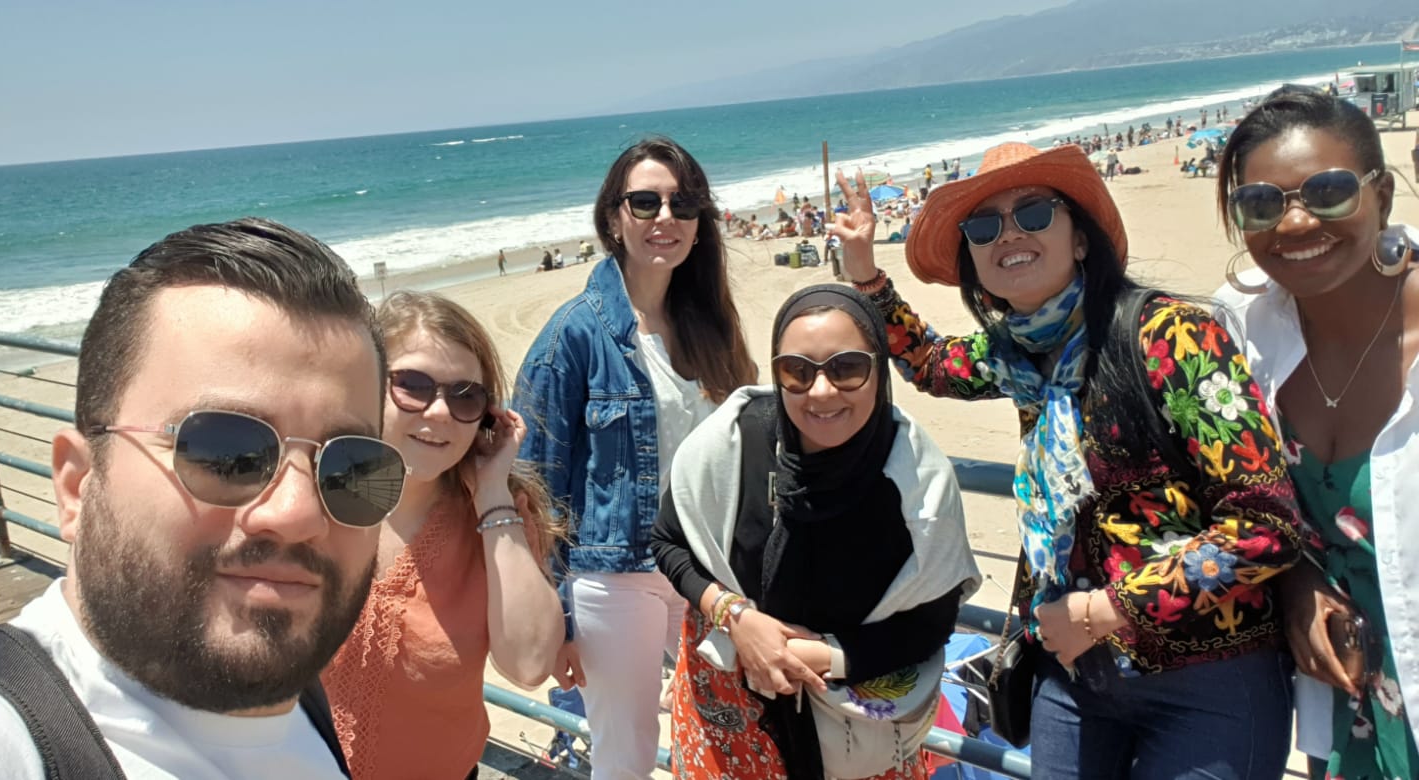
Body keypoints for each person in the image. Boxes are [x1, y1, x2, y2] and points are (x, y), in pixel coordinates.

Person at [0, 218, 407, 778]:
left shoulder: (296, 697)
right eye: (227, 452)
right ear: (77, 485)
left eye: (349, 468)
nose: (298, 512)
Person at [830, 142, 1307, 778]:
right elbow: (931, 363)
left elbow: (1265, 524)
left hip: (1209, 680)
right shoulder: (1018, 356)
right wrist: (866, 274)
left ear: (1080, 238)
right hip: (1076, 676)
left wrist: (1106, 610)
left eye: (1032, 213)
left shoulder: (1171, 335)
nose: (1008, 234)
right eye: (983, 225)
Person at [651, 284, 979, 779]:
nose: (821, 391)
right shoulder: (734, 442)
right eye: (797, 371)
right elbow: (669, 541)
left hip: (855, 733)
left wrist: (814, 656)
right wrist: (734, 615)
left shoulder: (917, 482)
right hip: (727, 719)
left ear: (878, 369)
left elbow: (931, 623)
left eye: (847, 368)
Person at [515, 136, 757, 779]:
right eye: (645, 201)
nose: (664, 218)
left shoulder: (711, 325)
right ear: (613, 218)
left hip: (705, 572)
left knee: (721, 734)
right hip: (616, 577)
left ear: (701, 223)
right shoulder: (575, 333)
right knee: (623, 756)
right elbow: (534, 483)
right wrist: (558, 618)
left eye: (684, 203)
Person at [1212, 85, 1419, 780]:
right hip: (1347, 708)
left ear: (1382, 196)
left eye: (1328, 192)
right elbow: (1234, 497)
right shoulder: (1245, 334)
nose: (1296, 223)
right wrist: (1295, 577)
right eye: (1262, 204)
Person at [322, 290, 562, 779]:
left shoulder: (498, 519)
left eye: (464, 395)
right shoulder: (309, 494)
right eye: (412, 385)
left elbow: (530, 663)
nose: (438, 413)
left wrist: (492, 491)